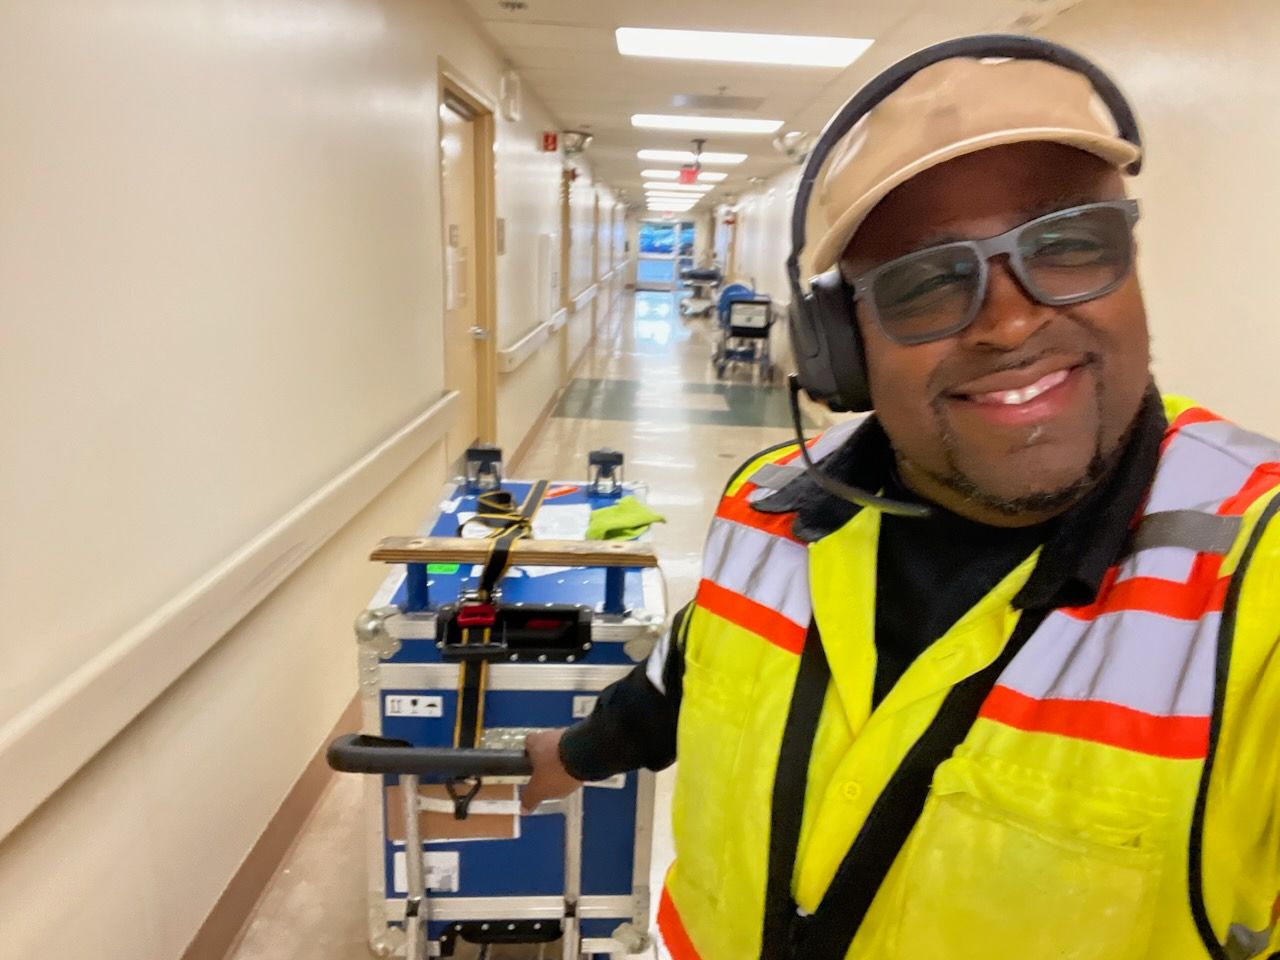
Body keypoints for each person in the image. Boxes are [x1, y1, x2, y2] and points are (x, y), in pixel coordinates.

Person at [522, 39, 1280, 960]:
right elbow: (692, 671)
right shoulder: (765, 508)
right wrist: (577, 755)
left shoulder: (1255, 583)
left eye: (1070, 244)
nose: (1011, 322)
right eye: (926, 281)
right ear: (840, 348)